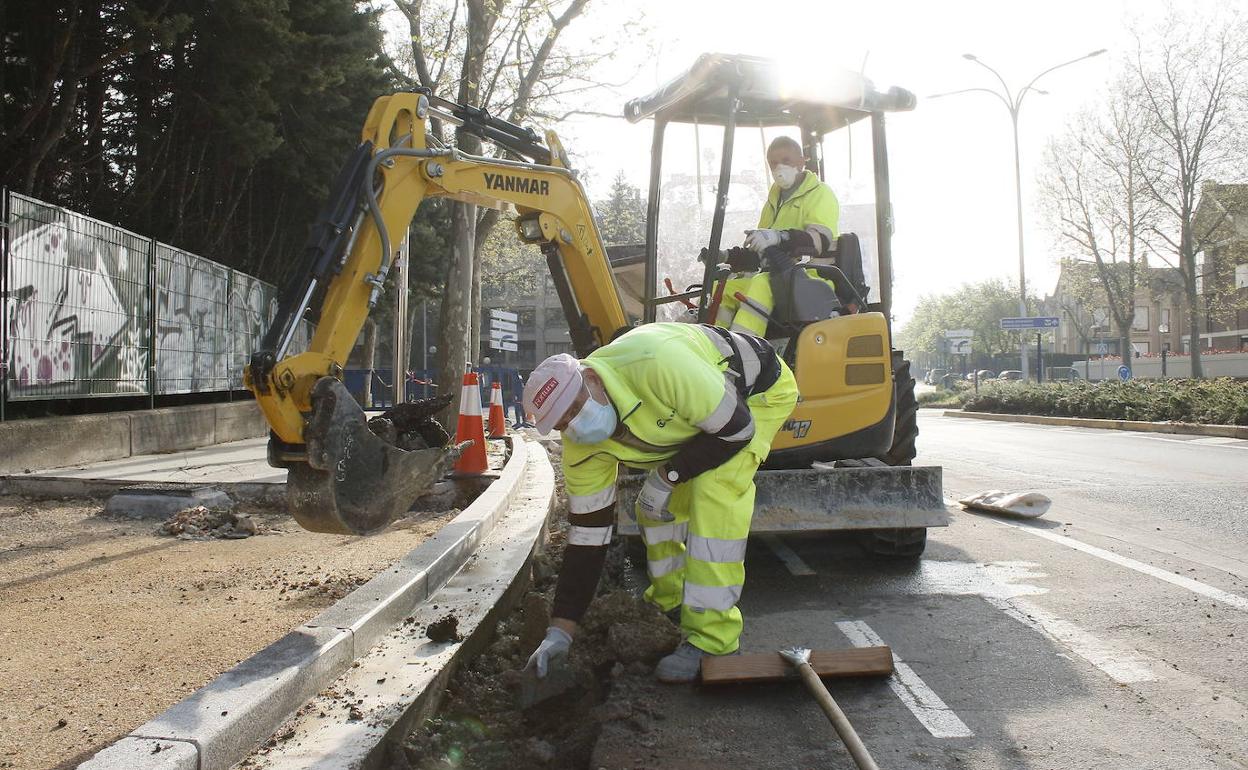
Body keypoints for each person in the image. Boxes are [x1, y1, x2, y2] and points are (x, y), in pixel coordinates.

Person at [520, 322, 798, 683]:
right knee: (652, 508)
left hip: (755, 394)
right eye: (563, 423)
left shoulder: (658, 364)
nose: (575, 425)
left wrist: (669, 476)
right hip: (695, 421)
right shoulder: (582, 449)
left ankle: (713, 639)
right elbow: (589, 536)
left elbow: (737, 430)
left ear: (591, 378)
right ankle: (669, 603)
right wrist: (560, 631)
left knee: (714, 489)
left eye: (575, 408)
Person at [714, 135, 840, 337]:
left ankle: (743, 353)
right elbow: (762, 251)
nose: (779, 167)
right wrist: (726, 256)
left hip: (811, 278)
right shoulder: (773, 201)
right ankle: (714, 345)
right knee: (723, 288)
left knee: (761, 284)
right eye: (773, 163)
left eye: (786, 161)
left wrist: (780, 237)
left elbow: (820, 242)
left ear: (801, 161)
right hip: (778, 277)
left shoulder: (820, 193)